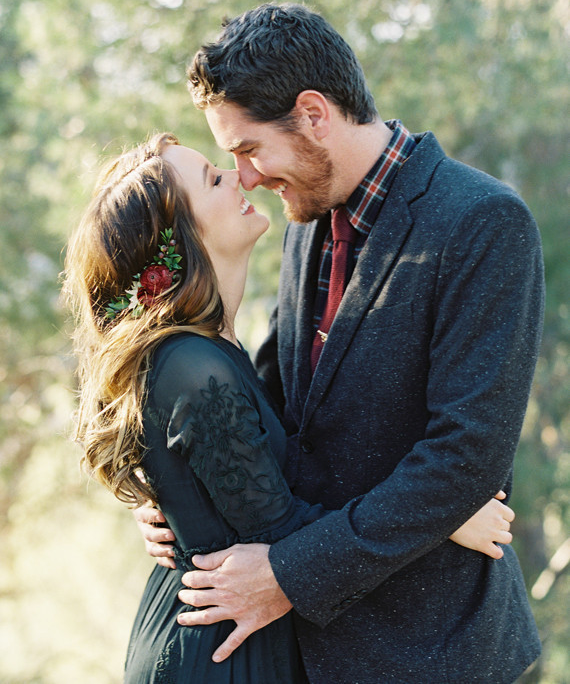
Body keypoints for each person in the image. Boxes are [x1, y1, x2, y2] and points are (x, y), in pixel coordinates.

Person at [137, 3, 544, 683]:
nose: (247, 176)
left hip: (429, 652)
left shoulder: (482, 223)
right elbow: (276, 413)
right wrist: (180, 497)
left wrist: (287, 574)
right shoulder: (305, 222)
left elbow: (464, 460)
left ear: (314, 114)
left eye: (249, 149)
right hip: (305, 652)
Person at [65, 132, 516, 684]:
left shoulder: (212, 350)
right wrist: (442, 523)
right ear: (181, 238)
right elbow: (278, 528)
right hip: (219, 650)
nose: (237, 176)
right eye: (212, 178)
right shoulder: (192, 365)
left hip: (246, 630)